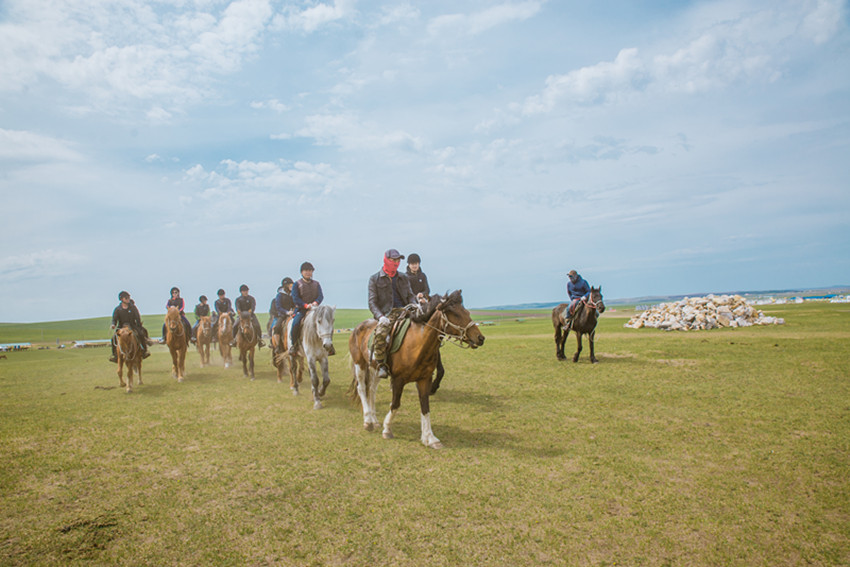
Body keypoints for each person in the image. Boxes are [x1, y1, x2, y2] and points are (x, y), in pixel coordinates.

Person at [368, 249, 421, 379]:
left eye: (398, 260)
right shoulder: (374, 279)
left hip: (406, 311)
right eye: (394, 260)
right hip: (388, 313)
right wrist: (380, 317)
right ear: (386, 260)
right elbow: (372, 302)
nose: (396, 262)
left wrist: (415, 304)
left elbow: (410, 295)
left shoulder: (403, 277)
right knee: (380, 334)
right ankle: (381, 364)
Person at [289, 263, 324, 355]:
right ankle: (294, 345)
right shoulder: (297, 284)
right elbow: (295, 298)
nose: (308, 272)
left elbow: (320, 296)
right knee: (296, 323)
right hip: (302, 310)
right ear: (302, 272)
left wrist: (316, 302)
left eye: (310, 271)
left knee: (325, 322)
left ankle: (327, 345)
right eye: (306, 271)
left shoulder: (316, 284)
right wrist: (305, 305)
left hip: (315, 309)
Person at [109, 291, 150, 362]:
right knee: (113, 339)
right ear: (121, 299)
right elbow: (114, 319)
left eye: (128, 297)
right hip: (121, 327)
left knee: (140, 334)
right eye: (126, 298)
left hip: (132, 326)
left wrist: (139, 325)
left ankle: (144, 351)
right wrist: (113, 325)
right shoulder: (117, 309)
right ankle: (115, 355)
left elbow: (137, 317)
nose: (128, 299)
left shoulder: (133, 308)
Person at [271, 277, 296, 353]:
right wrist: (286, 312)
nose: (291, 286)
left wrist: (294, 310)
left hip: (292, 314)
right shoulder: (279, 295)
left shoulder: (292, 295)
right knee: (277, 327)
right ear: (286, 286)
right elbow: (278, 307)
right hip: (282, 315)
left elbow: (294, 304)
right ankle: (278, 346)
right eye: (290, 285)